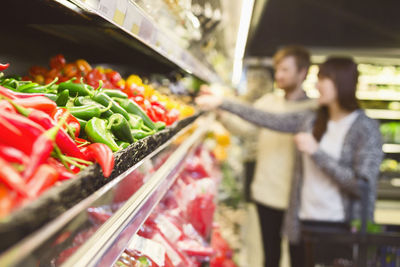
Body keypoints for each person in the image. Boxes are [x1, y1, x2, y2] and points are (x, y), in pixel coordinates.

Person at [196, 57, 383, 267]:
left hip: (340, 228)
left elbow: (362, 185)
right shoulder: (311, 119)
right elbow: (266, 119)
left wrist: (316, 152)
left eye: (323, 79)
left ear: (342, 83)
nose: (317, 85)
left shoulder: (366, 129)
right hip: (304, 221)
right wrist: (222, 104)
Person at [217, 46, 316, 267]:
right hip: (266, 194)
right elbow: (246, 128)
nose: (279, 75)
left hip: (298, 199)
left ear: (302, 73)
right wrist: (221, 115)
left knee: (299, 257)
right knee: (270, 256)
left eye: (285, 70)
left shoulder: (312, 110)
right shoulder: (268, 103)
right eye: (277, 69)